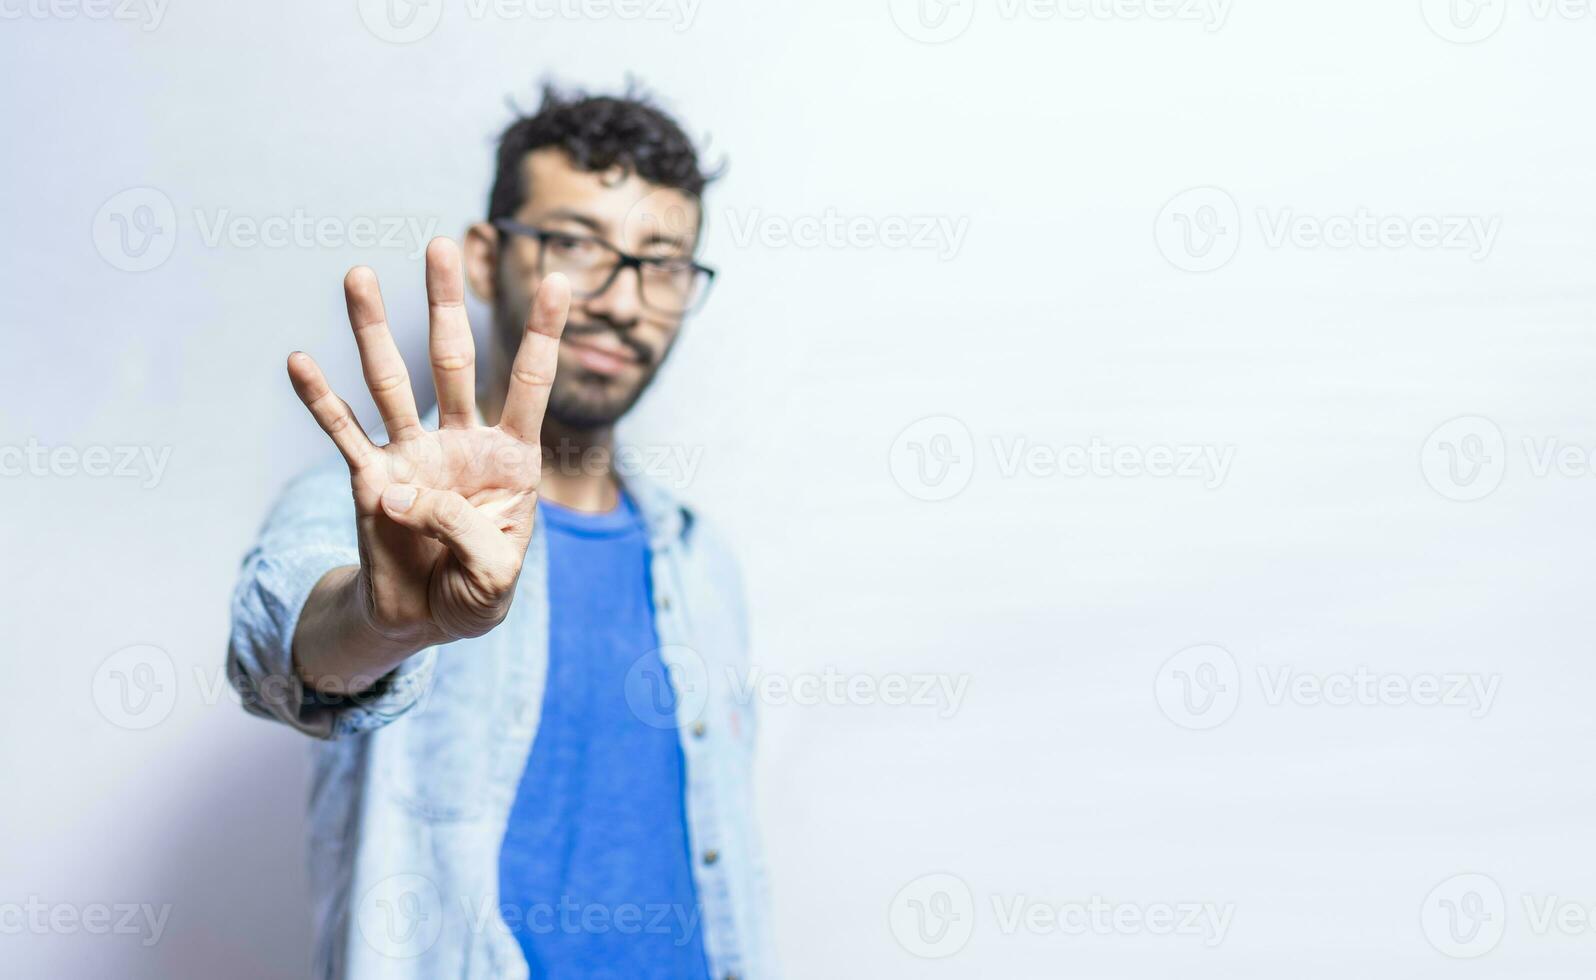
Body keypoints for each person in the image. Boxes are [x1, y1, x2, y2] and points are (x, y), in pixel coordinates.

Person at [227, 85, 773, 980]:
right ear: (486, 259)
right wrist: (384, 621)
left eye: (663, 262)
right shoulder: (374, 514)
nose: (623, 301)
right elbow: (281, 656)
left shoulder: (704, 561)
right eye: (578, 246)